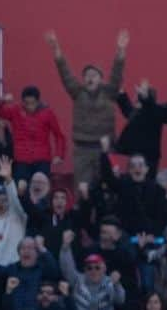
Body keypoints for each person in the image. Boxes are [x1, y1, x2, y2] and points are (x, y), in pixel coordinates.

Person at [44, 29, 128, 190]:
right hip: (82, 150)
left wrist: (121, 50)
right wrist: (56, 49)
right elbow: (65, 73)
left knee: (107, 189)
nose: (90, 78)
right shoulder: (77, 93)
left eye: (94, 75)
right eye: (87, 75)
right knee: (82, 191)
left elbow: (117, 74)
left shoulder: (109, 92)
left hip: (105, 149)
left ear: (100, 78)